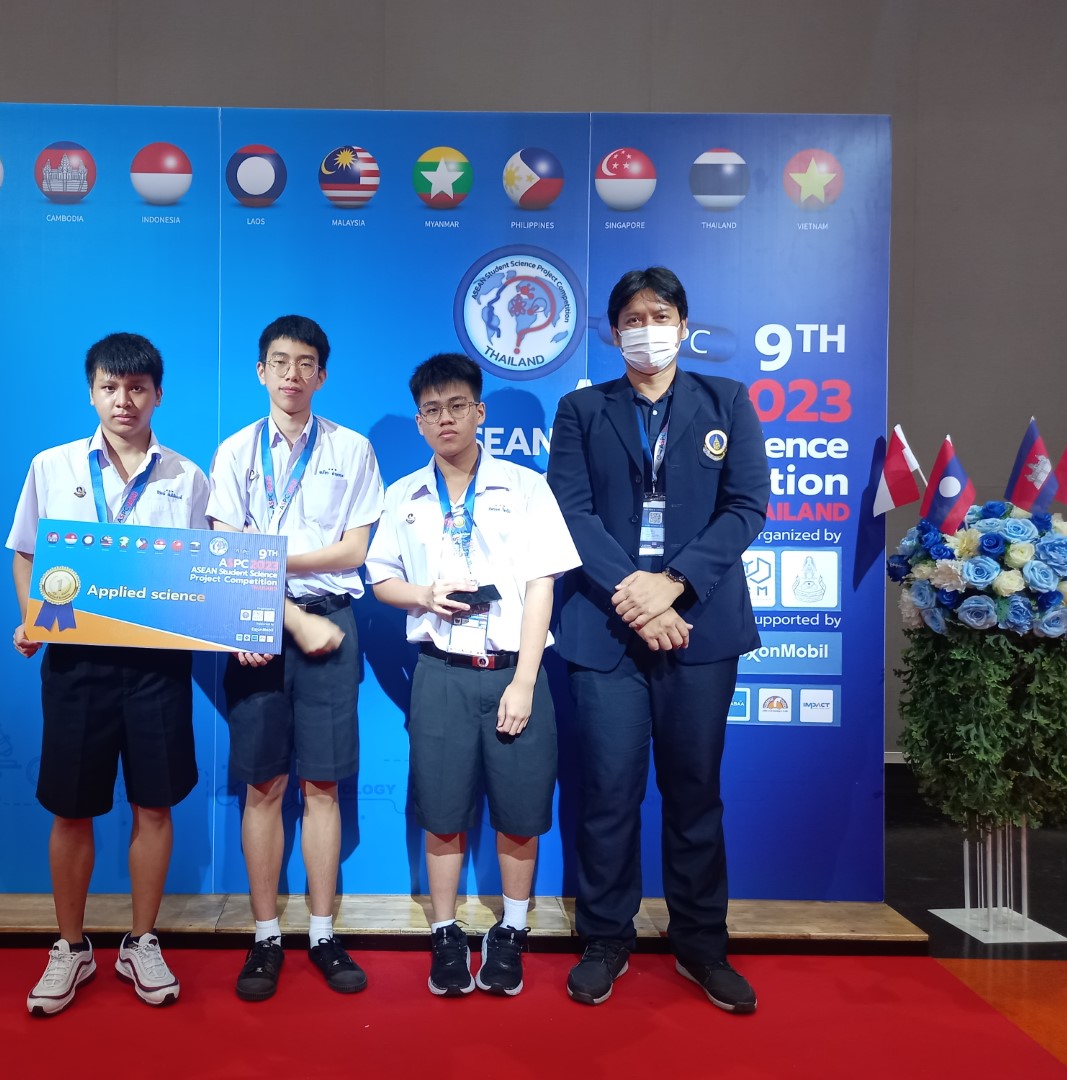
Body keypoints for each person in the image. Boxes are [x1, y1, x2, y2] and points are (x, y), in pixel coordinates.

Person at [547, 267, 768, 1013]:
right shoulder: (582, 410)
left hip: (698, 625)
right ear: (614, 332)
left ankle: (701, 945)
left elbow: (747, 506)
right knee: (609, 792)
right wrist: (637, 596)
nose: (648, 328)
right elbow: (572, 513)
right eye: (634, 318)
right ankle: (606, 938)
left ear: (683, 325)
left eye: (661, 314)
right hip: (607, 629)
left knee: (695, 793)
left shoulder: (726, 401)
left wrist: (672, 583)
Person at [7, 332, 210, 1016]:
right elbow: (26, 553)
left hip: (158, 666)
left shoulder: (187, 477)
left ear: (157, 395)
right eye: (110, 388)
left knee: (155, 804)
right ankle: (71, 947)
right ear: (92, 392)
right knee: (72, 808)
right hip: (77, 663)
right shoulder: (52, 465)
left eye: (137, 388)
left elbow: (203, 573)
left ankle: (140, 941)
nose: (124, 401)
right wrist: (33, 618)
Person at [364, 353, 579, 998]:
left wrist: (525, 681)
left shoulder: (525, 487)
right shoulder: (403, 496)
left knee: (520, 813)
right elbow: (381, 579)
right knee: (442, 811)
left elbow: (542, 586)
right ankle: (446, 933)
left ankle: (511, 930)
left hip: (515, 671)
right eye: (431, 410)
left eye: (457, 406)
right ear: (419, 422)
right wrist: (424, 595)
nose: (445, 419)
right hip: (440, 674)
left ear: (479, 412)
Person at [207, 314, 384, 1001]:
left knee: (323, 786)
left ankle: (322, 933)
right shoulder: (234, 452)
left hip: (331, 622)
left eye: (305, 363)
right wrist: (271, 597)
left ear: (322, 375)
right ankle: (264, 937)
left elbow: (354, 551)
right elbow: (225, 549)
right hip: (252, 622)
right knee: (263, 786)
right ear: (261, 372)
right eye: (279, 362)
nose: (292, 374)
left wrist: (271, 560)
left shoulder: (353, 448)